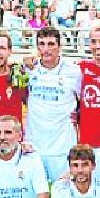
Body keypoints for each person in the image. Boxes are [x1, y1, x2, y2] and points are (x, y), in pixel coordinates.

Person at [22, 28, 82, 183]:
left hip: (63, 148)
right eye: (42, 44)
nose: (46, 49)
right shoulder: (28, 70)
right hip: (34, 146)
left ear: (59, 47)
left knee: (63, 196)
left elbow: (83, 103)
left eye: (51, 44)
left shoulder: (74, 72)